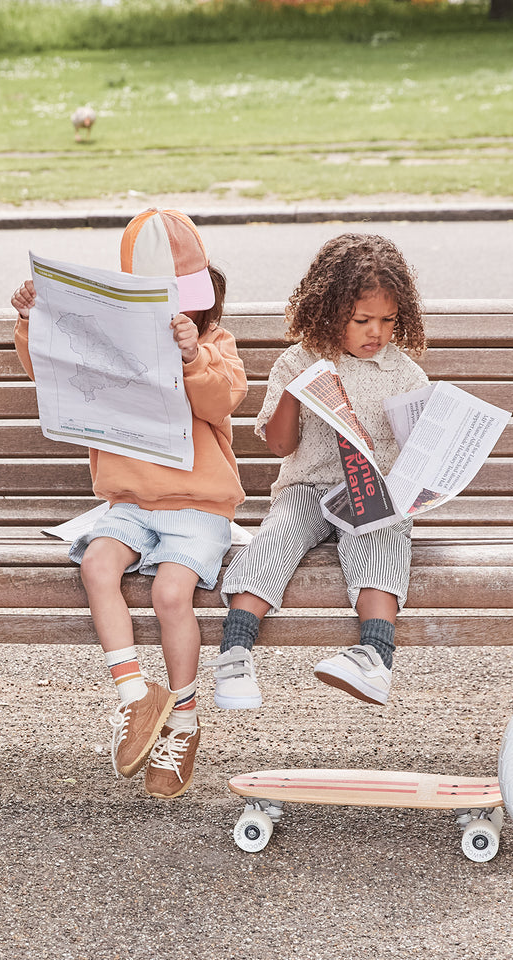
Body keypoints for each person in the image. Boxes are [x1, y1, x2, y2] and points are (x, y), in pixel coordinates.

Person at [11, 209, 246, 799]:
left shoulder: (217, 344)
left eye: (188, 299)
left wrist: (193, 358)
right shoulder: (105, 341)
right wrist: (31, 319)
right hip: (130, 505)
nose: (179, 312)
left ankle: (184, 722)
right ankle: (137, 700)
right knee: (96, 565)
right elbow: (48, 369)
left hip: (199, 507)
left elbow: (225, 401)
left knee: (172, 593)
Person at [214, 233, 428, 709]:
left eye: (388, 321)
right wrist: (296, 390)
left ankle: (373, 658)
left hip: (372, 489)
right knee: (277, 536)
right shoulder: (298, 360)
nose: (377, 332)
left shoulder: (403, 372)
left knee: (383, 535)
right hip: (308, 486)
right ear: (329, 311)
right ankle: (235, 655)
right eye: (362, 320)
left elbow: (419, 447)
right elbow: (280, 445)